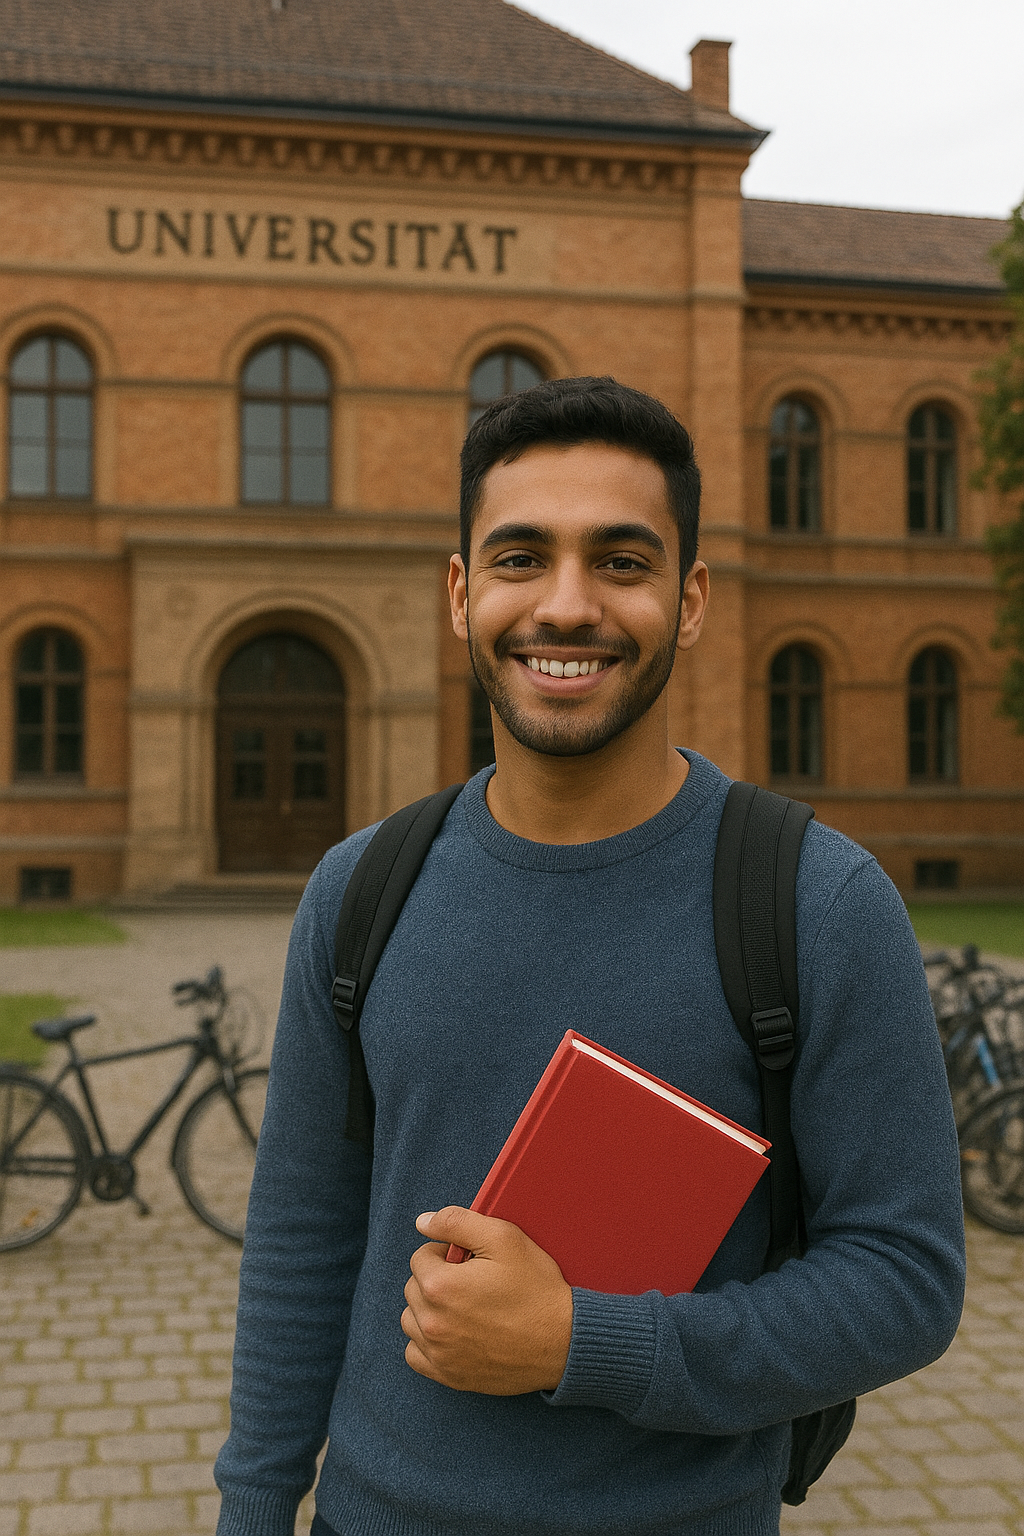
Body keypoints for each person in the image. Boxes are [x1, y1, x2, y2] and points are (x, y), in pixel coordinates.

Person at [215, 376, 965, 1536]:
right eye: (520, 559)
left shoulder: (819, 901)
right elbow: (303, 1243)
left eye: (621, 562)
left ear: (692, 597)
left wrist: (581, 1341)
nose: (566, 607)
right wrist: (254, 1508)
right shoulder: (359, 889)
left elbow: (905, 1281)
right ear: (460, 595)